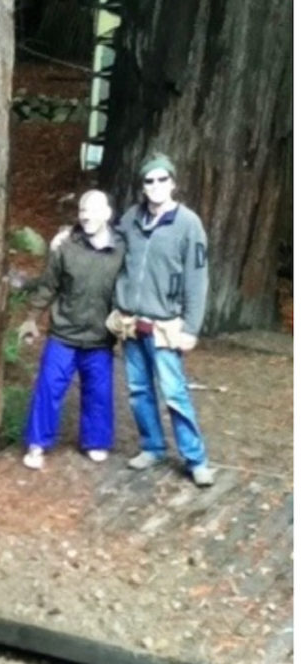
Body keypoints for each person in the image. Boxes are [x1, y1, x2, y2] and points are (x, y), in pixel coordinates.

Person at [106, 152, 214, 487]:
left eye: (161, 179)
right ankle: (151, 446)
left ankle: (196, 459)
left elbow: (198, 278)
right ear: (143, 186)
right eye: (149, 181)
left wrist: (191, 328)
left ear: (172, 183)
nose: (155, 186)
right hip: (132, 322)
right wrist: (70, 235)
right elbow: (107, 244)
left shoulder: (188, 224)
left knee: (174, 393)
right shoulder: (131, 219)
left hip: (166, 325)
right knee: (138, 390)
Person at [18, 190, 124, 471]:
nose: (86, 215)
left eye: (92, 210)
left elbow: (132, 286)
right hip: (63, 335)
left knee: (99, 392)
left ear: (108, 214)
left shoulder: (122, 248)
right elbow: (48, 286)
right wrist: (32, 318)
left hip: (100, 338)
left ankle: (96, 441)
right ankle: (38, 443)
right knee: (48, 388)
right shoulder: (65, 247)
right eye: (82, 210)